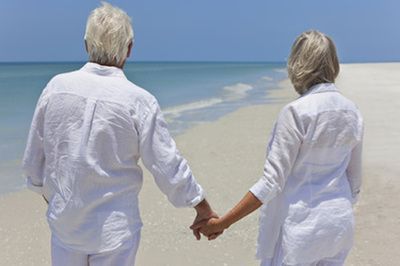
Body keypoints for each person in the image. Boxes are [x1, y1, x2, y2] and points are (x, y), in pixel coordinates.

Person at [22, 2, 218, 266]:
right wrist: (201, 207)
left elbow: (34, 159)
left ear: (85, 44)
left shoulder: (56, 88)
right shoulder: (138, 101)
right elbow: (166, 165)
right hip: (114, 231)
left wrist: (53, 197)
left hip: (65, 227)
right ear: (129, 48)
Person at [191, 30, 363, 266]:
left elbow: (271, 182)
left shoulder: (296, 113)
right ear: (333, 64)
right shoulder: (352, 111)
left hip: (303, 228)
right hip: (339, 224)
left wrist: (223, 223)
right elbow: (354, 182)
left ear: (297, 64)